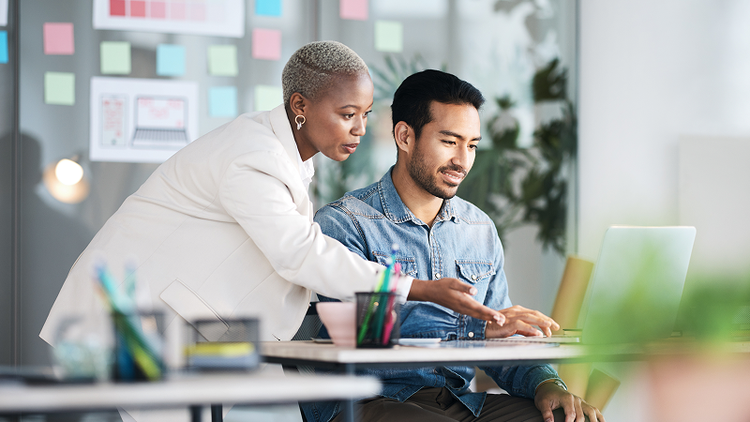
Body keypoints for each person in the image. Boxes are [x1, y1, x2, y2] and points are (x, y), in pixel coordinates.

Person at [41, 42, 505, 354]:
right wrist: (419, 288)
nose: (360, 129)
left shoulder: (289, 158)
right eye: (347, 114)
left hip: (164, 326)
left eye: (364, 114)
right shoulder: (253, 155)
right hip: (118, 323)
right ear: (300, 105)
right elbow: (298, 253)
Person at [305, 70, 605, 422]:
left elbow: (504, 337)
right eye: (450, 142)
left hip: (461, 403)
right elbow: (368, 340)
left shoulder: (479, 229)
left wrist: (547, 384)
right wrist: (474, 330)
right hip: (372, 403)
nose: (463, 161)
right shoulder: (345, 224)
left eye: (472, 145)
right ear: (404, 136)